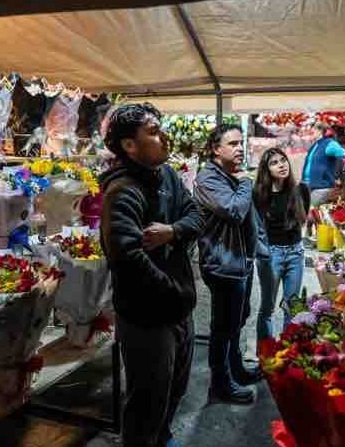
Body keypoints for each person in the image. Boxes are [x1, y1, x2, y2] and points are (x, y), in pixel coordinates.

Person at [100, 103, 204, 447]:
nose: (164, 137)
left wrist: (173, 231)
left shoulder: (168, 176)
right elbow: (128, 260)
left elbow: (196, 217)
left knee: (175, 390)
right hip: (147, 320)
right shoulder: (123, 191)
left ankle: (163, 437)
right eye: (154, 132)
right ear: (129, 145)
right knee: (148, 403)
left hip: (178, 310)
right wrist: (177, 292)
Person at [195, 124, 264, 405]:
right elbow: (234, 210)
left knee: (238, 319)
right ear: (216, 148)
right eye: (233, 143)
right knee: (223, 327)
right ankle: (220, 384)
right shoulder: (208, 178)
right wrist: (246, 182)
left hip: (240, 261)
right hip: (223, 263)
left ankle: (236, 370)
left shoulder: (229, 175)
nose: (239, 148)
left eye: (240, 143)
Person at [253, 147, 310, 341]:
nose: (281, 165)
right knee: (267, 308)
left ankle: (287, 350)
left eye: (283, 160)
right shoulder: (260, 194)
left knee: (292, 306)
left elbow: (302, 219)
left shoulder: (301, 190)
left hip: (296, 253)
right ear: (267, 169)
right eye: (274, 163)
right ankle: (265, 351)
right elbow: (256, 225)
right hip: (271, 255)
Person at [301, 121, 345, 207]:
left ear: (320, 131)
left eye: (312, 131)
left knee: (311, 211)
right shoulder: (315, 145)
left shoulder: (329, 143)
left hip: (321, 188)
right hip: (309, 186)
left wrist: (338, 174)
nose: (310, 133)